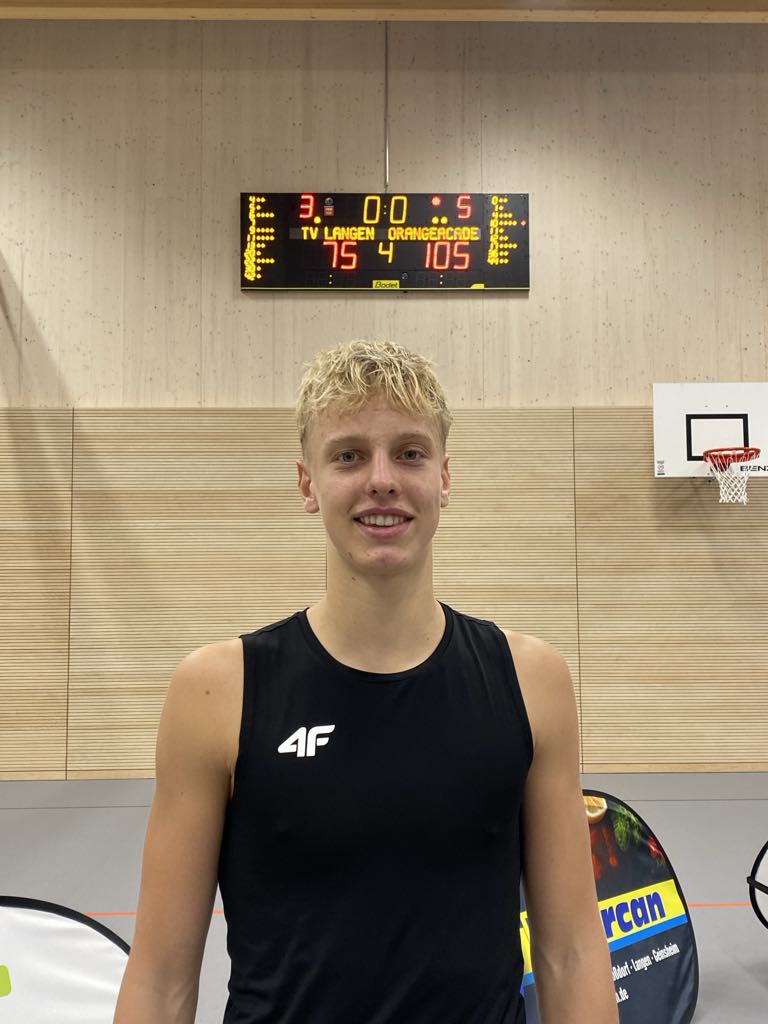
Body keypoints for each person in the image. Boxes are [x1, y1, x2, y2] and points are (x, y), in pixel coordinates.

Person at [113, 339, 618, 1024]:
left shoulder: (532, 681)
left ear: (444, 478)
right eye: (349, 455)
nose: (382, 480)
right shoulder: (217, 693)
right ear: (307, 483)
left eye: (409, 453)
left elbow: (572, 954)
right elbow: (161, 979)